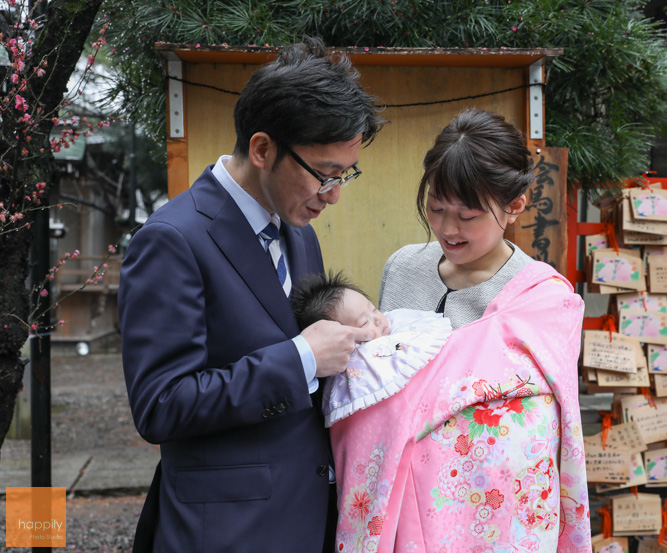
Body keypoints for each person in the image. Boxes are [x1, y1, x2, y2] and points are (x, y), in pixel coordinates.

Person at [118, 38, 384, 553]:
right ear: (262, 150)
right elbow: (161, 405)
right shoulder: (173, 239)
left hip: (308, 517)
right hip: (225, 529)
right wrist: (302, 357)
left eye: (344, 175)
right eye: (325, 175)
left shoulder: (298, 230)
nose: (334, 194)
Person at [330, 108, 591, 552]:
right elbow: (378, 384)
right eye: (436, 208)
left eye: (467, 216)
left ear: (515, 207)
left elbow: (534, 436)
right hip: (394, 519)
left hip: (486, 528)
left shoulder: (544, 300)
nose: (447, 229)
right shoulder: (403, 267)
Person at [290, 271, 452, 427]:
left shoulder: (399, 323)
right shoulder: (357, 365)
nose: (377, 320)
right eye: (364, 323)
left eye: (374, 309)